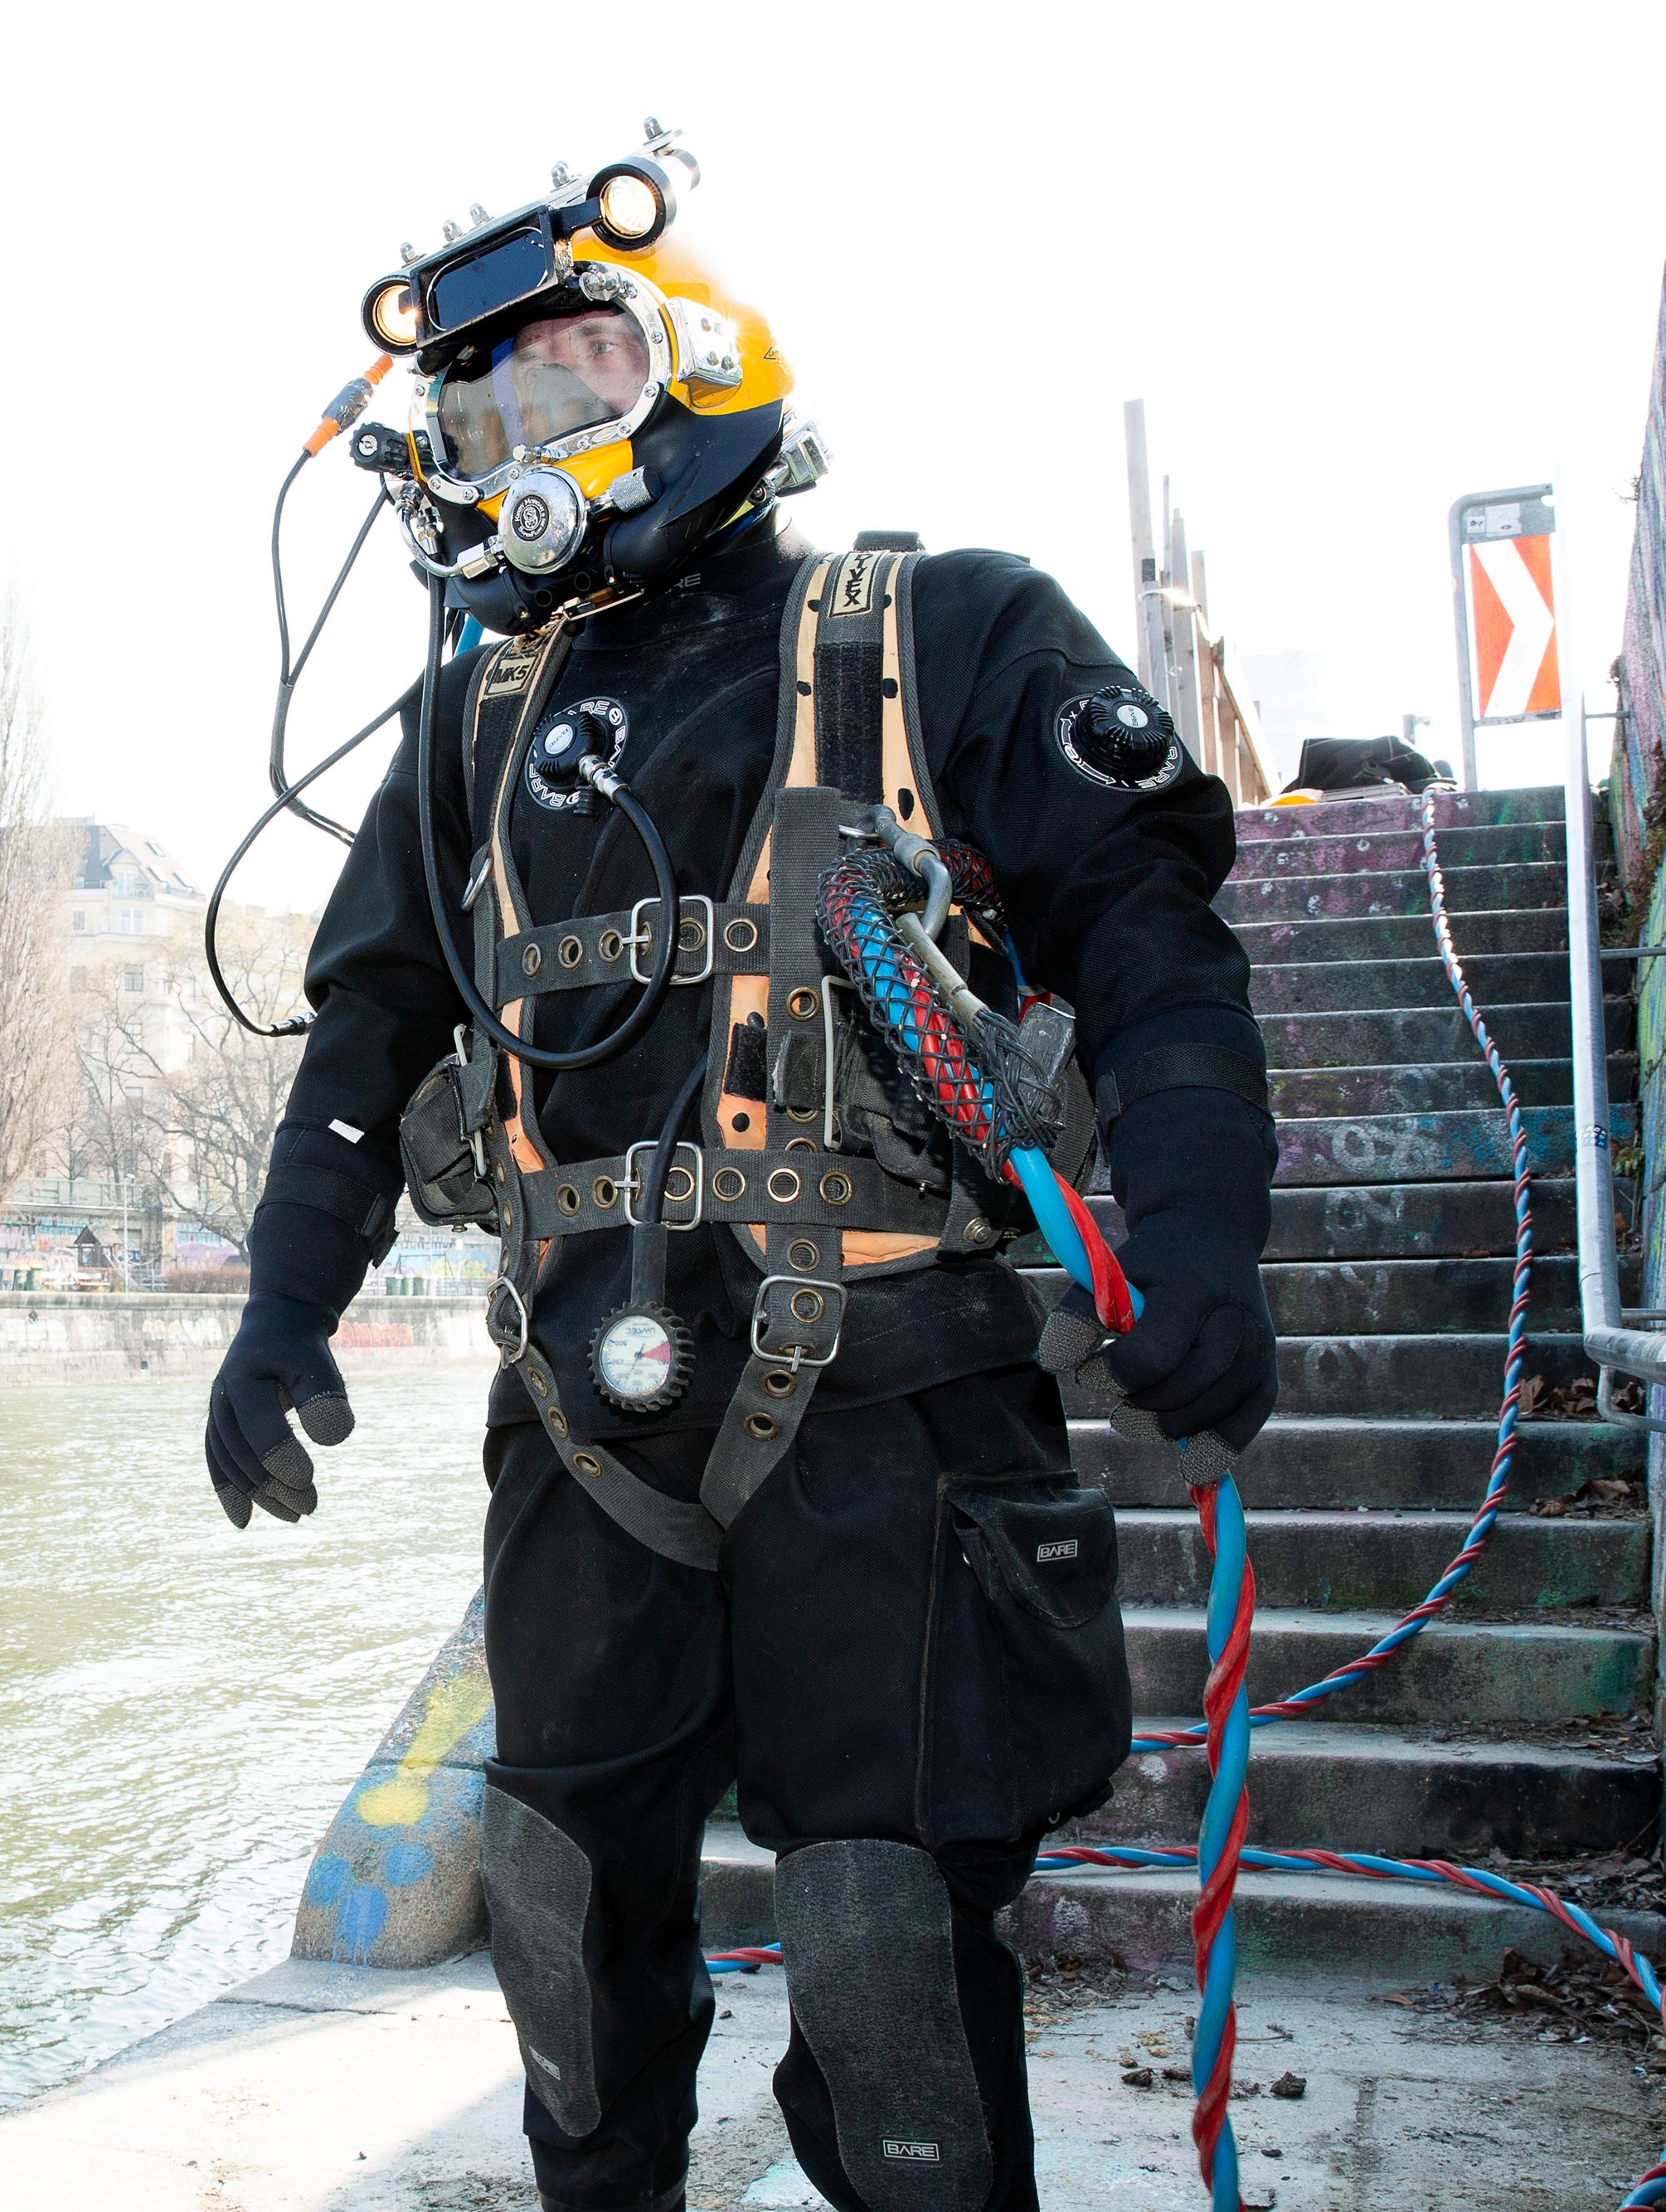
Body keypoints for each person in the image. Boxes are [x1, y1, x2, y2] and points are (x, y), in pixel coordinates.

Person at [203, 134, 1279, 2212]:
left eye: (569, 379)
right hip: (581, 1421)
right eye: (477, 408)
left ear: (695, 357)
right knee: (556, 1910)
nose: (521, 440)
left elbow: (1147, 941)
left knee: (887, 1948)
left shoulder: (934, 629)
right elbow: (360, 1047)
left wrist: (1202, 1228)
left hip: (890, 1409)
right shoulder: (460, 737)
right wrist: (279, 1306)